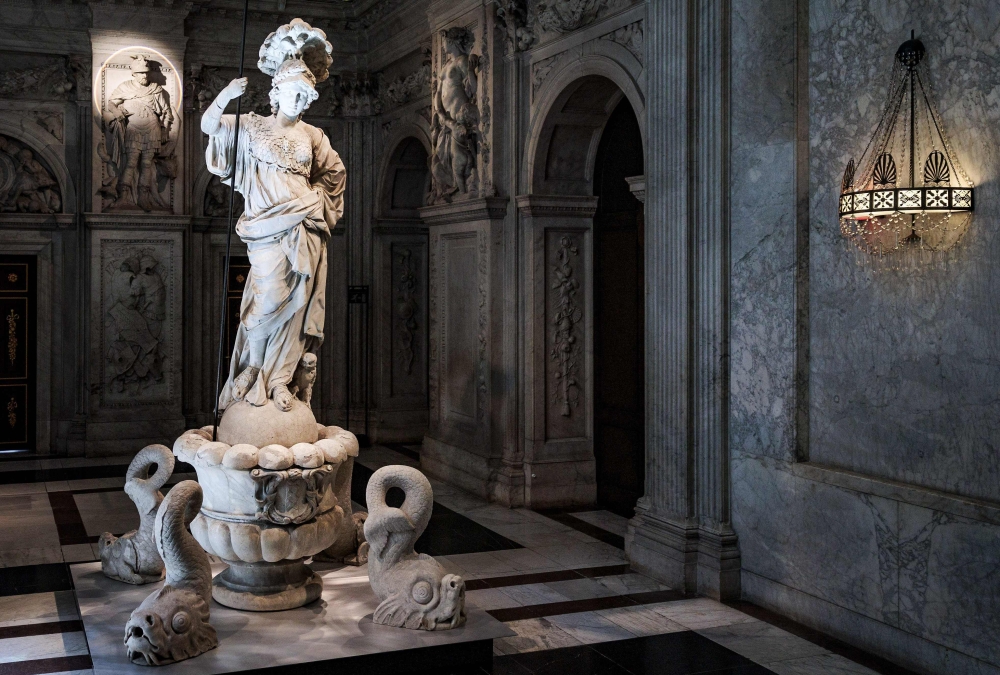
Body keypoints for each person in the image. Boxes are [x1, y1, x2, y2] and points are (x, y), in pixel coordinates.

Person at [202, 25, 345, 413]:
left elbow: (335, 174)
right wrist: (225, 98)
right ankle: (251, 368)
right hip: (265, 228)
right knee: (268, 301)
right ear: (276, 92)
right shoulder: (249, 126)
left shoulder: (313, 136)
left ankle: (280, 380)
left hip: (304, 228)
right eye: (293, 92)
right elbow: (210, 128)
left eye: (306, 95)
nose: (300, 100)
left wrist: (316, 198)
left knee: (297, 309)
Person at [105, 55, 173, 211]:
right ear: (134, 74)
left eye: (146, 73)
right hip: (134, 128)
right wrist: (117, 112)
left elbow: (167, 112)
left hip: (152, 127)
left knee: (147, 164)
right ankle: (123, 196)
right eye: (141, 73)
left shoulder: (156, 89)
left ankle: (143, 196)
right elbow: (111, 102)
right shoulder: (125, 87)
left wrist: (164, 129)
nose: (144, 76)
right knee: (131, 163)